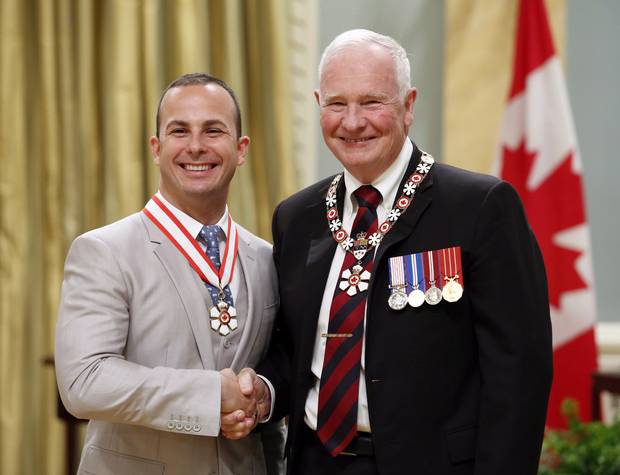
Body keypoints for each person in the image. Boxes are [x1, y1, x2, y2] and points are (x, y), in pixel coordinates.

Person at [255, 29, 553, 474]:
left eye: (372, 102)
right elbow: (290, 350)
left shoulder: (479, 207)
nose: (352, 122)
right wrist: (260, 391)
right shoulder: (297, 218)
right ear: (319, 104)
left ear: (409, 105)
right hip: (314, 462)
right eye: (336, 104)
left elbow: (519, 373)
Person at [55, 73, 284, 475]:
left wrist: (261, 396)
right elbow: (84, 382)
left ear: (241, 148)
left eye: (214, 130)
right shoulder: (104, 251)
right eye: (180, 131)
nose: (196, 146)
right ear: (157, 149)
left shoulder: (266, 257)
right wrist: (211, 397)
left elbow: (279, 363)